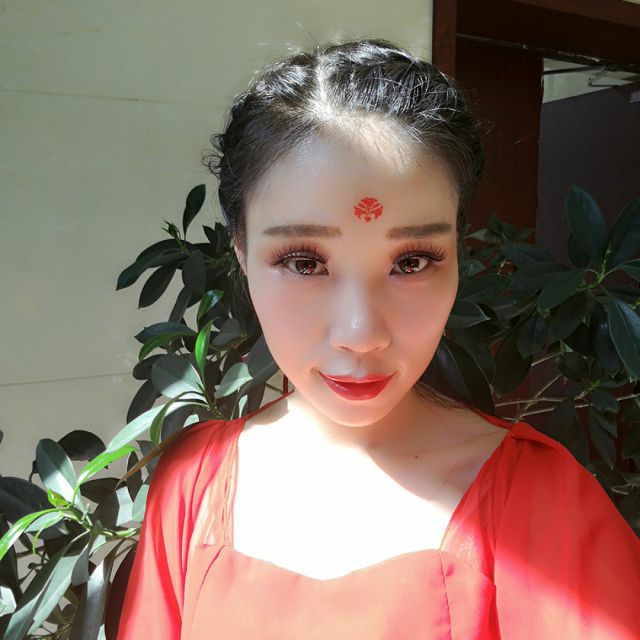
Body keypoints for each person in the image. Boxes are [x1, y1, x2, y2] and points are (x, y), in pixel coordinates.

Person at [116, 38, 640, 639]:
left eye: (412, 262)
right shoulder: (191, 485)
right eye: (305, 262)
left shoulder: (546, 506)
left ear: (457, 254)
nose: (361, 335)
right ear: (241, 252)